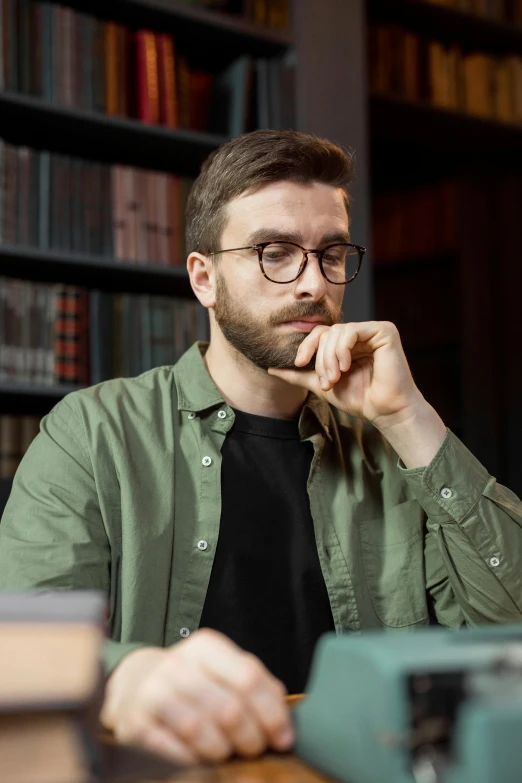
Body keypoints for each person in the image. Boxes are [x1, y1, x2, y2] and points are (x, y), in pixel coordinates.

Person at [1, 129, 522, 766]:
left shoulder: (390, 446)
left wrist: (409, 418)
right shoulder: (91, 432)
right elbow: (22, 649)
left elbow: (510, 633)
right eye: (275, 252)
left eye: (331, 254)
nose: (311, 284)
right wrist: (125, 676)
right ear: (204, 278)